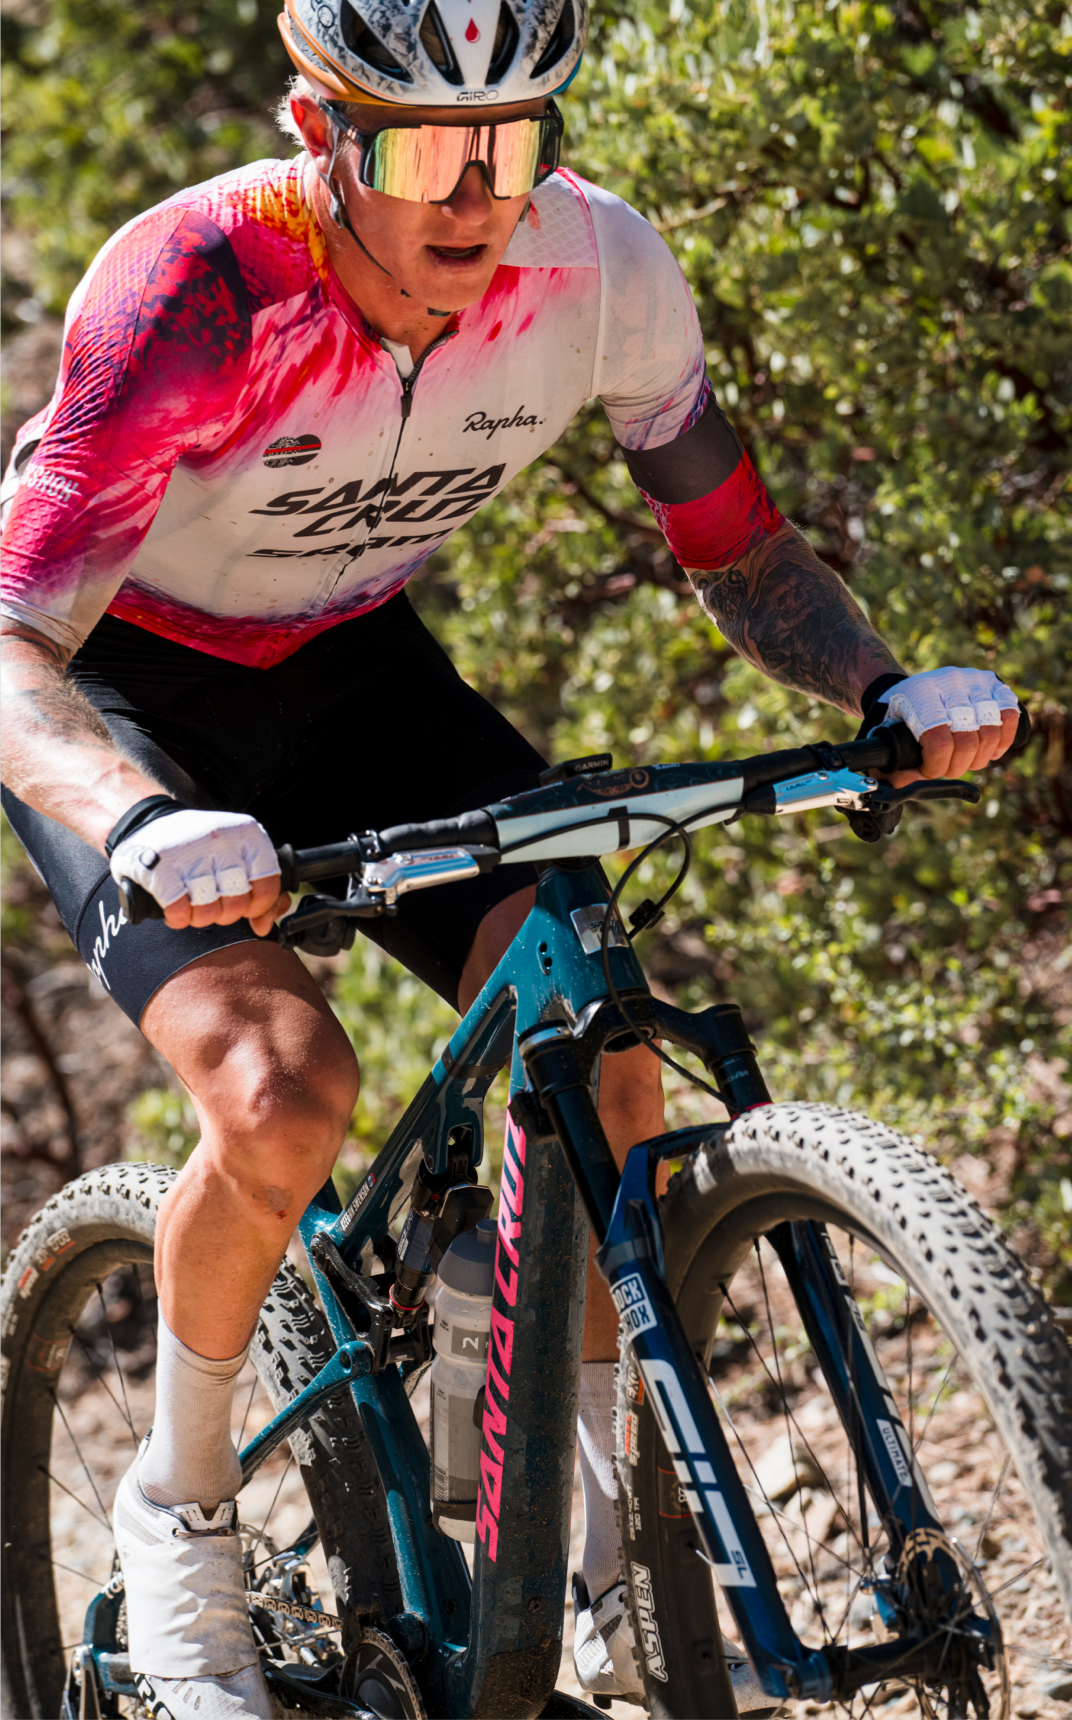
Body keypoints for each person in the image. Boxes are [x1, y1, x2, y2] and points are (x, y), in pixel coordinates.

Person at [0, 0, 1021, 1707]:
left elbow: (743, 549)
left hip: (351, 668)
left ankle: (579, 1492)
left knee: (605, 1049)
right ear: (317, 129)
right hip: (118, 682)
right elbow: (11, 636)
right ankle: (177, 1516)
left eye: (512, 141)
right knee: (278, 1084)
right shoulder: (195, 289)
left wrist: (884, 683)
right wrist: (138, 817)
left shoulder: (601, 267)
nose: (472, 197)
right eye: (417, 146)